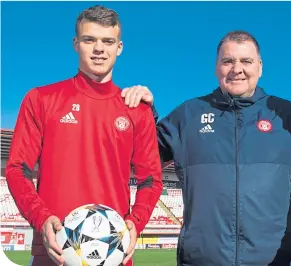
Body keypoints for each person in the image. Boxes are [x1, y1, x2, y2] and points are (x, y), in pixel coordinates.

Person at [121, 30, 291, 265]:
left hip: (277, 260)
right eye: (228, 61)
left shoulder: (286, 115)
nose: (237, 69)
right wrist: (143, 114)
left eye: (246, 61)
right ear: (216, 67)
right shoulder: (186, 116)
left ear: (259, 67)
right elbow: (135, 157)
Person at [5, 5, 163, 266]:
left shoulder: (137, 110)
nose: (99, 48)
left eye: (107, 41)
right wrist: (41, 218)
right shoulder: (41, 99)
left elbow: (151, 179)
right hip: (54, 252)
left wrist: (136, 222)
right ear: (76, 43)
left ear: (119, 47)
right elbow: (16, 169)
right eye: (89, 39)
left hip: (112, 255)